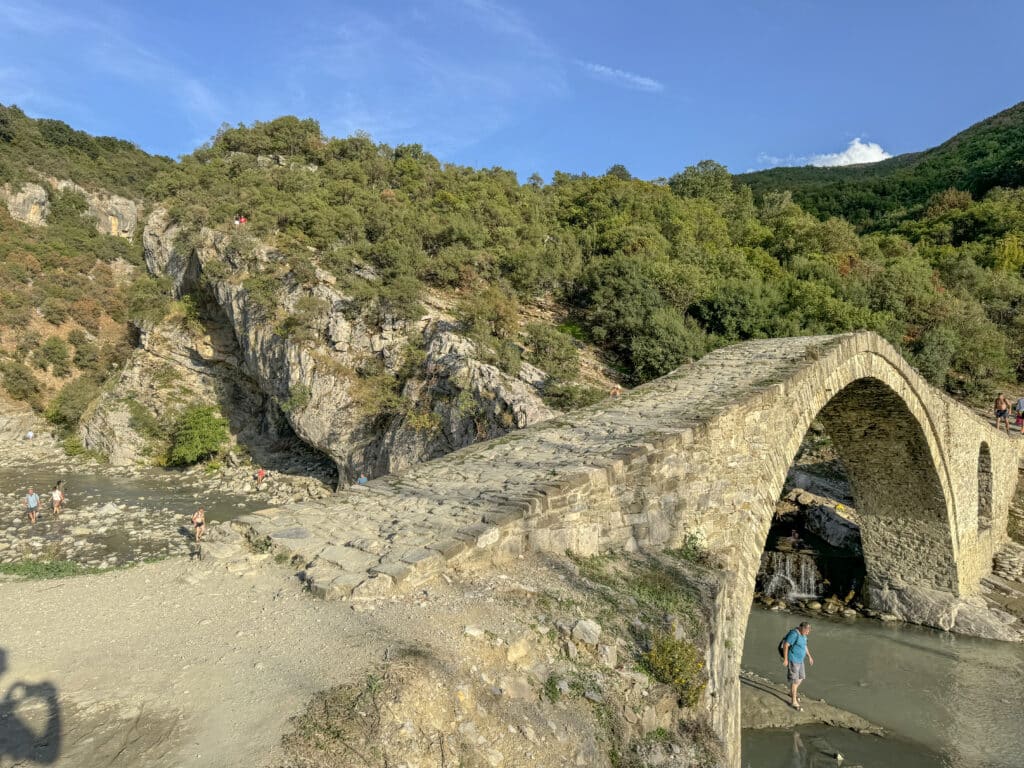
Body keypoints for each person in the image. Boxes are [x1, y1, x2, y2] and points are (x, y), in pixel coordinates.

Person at [781, 621, 814, 710]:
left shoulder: (804, 635)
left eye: (809, 631)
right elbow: (786, 645)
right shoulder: (794, 634)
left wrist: (809, 656)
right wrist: (785, 659)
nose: (808, 633)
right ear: (802, 628)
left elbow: (805, 646)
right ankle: (793, 701)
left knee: (801, 678)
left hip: (800, 660)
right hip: (793, 660)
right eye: (807, 631)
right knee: (795, 681)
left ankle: (792, 693)